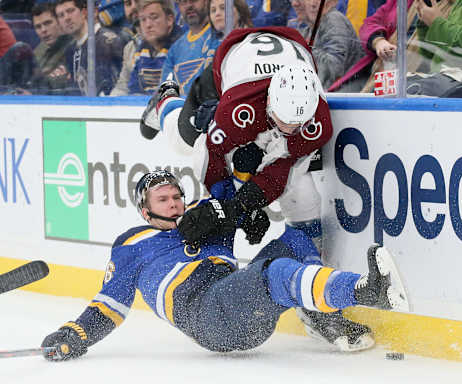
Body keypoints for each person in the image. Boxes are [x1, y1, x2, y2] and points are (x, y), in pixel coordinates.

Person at [140, 26, 376, 352]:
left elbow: (280, 171)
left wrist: (246, 205)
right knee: (184, 140)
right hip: (230, 68)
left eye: (296, 124)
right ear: (270, 102)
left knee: (304, 198)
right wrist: (227, 206)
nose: (288, 129)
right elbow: (212, 159)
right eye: (282, 120)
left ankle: (314, 304)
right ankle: (164, 101)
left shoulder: (317, 121)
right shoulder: (239, 108)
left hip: (289, 50)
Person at [40, 170, 408, 361]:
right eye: (163, 199)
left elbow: (234, 185)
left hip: (236, 302)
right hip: (205, 316)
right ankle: (364, 291)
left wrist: (239, 212)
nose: (174, 203)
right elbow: (109, 305)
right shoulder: (131, 245)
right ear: (144, 209)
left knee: (298, 238)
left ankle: (319, 316)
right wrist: (75, 334)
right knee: (274, 274)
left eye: (176, 196)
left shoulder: (204, 219)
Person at [328, 0, 416, 93]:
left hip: (411, 78)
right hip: (379, 71)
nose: (313, 3)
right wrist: (378, 41)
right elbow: (368, 24)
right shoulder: (399, 2)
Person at [405, 0, 462, 98]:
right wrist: (425, 24)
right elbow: (430, 55)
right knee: (396, 87)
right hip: (443, 79)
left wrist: (436, 23)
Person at [55, 0, 125, 95]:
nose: (66, 18)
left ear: (84, 13)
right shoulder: (70, 51)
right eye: (61, 15)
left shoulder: (108, 43)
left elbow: (119, 88)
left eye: (70, 11)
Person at [298, 0, 365, 90]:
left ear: (332, 2)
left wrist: (304, 49)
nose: (313, 4)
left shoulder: (334, 19)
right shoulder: (310, 28)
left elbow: (333, 68)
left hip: (345, 96)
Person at [127, 0, 183, 94]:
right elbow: (133, 89)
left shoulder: (183, 47)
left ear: (169, 19)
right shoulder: (140, 50)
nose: (148, 25)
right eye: (143, 19)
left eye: (154, 18)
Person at [159, 0, 213, 96]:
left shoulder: (219, 37)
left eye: (193, 0)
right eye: (183, 1)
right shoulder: (175, 50)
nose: (188, 6)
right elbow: (164, 94)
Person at [31, 2, 74, 95]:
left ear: (59, 21)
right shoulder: (40, 49)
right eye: (38, 27)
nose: (43, 30)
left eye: (47, 23)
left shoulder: (73, 47)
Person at [110, 0, 143, 96]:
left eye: (137, 1)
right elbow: (122, 87)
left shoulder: (172, 43)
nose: (133, 7)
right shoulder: (129, 48)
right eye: (128, 3)